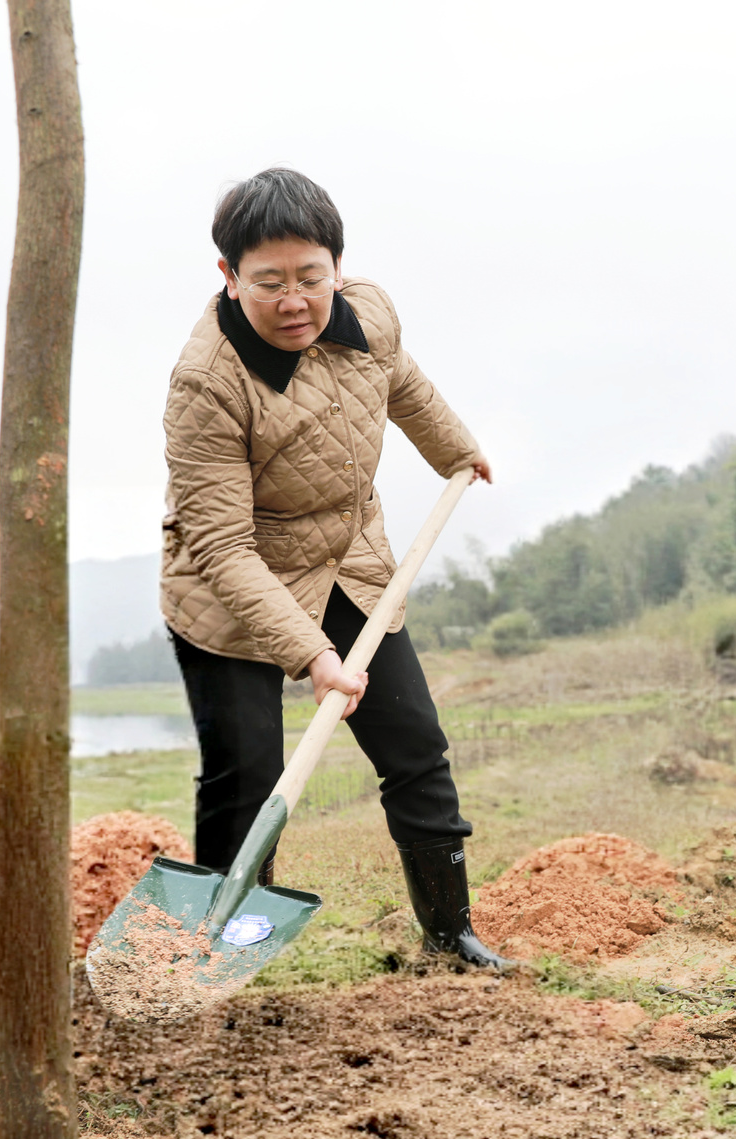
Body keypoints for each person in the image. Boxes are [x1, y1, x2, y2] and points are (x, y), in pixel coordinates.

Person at [158, 166, 512, 970]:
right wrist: (311, 655)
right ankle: (208, 957)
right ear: (229, 278)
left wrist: (457, 449)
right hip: (230, 590)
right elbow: (221, 547)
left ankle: (451, 935)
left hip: (348, 565)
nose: (295, 301)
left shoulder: (370, 314)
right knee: (246, 780)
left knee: (415, 745)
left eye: (311, 277)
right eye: (269, 282)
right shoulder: (205, 384)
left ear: (337, 268)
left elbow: (402, 382)